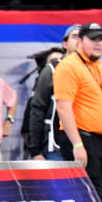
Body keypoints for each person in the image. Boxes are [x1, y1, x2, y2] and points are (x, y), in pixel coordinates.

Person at [53, 23, 102, 202]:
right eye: (92, 39)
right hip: (83, 139)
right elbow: (63, 107)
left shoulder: (100, 70)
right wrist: (77, 145)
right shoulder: (69, 66)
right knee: (87, 198)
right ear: (80, 41)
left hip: (101, 143)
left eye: (101, 39)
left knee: (100, 198)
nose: (98, 43)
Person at [28, 24, 81, 161]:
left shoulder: (93, 71)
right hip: (57, 148)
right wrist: (35, 151)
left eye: (83, 37)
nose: (79, 40)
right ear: (65, 43)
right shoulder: (51, 70)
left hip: (86, 146)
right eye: (75, 36)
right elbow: (37, 110)